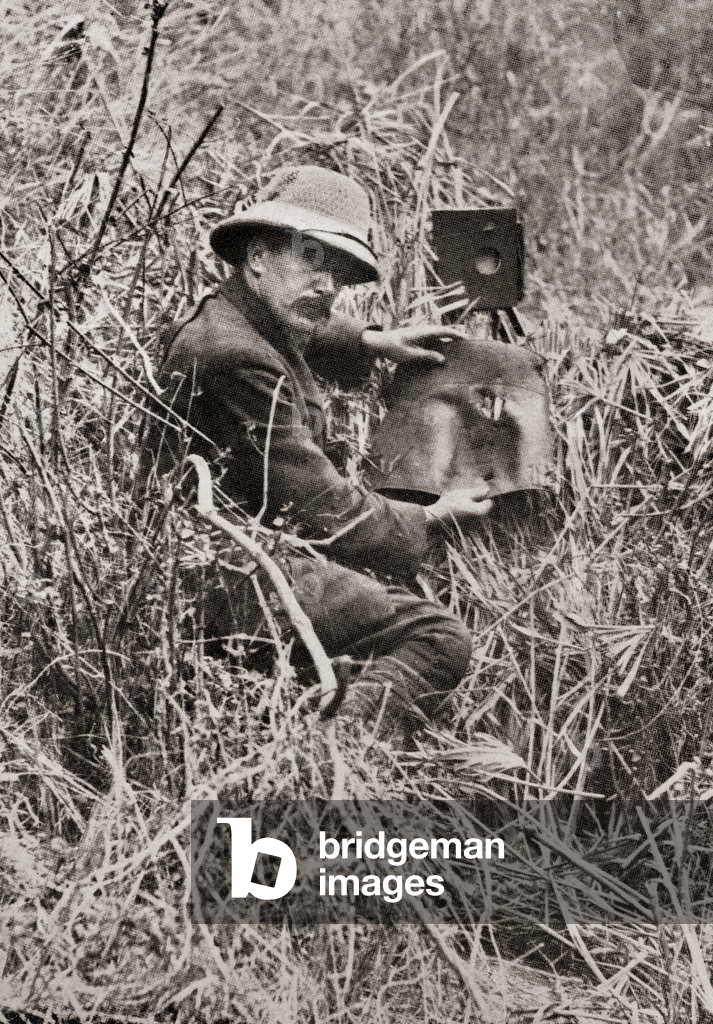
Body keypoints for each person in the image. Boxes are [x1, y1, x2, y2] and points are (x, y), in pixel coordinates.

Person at [136, 165, 492, 746]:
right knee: (436, 637)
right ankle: (337, 760)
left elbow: (306, 327)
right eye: (312, 258)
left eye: (341, 272)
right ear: (257, 256)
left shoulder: (242, 315)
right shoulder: (235, 357)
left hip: (224, 550)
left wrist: (372, 341)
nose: (329, 285)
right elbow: (329, 513)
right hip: (218, 572)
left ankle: (312, 712)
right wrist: (431, 517)